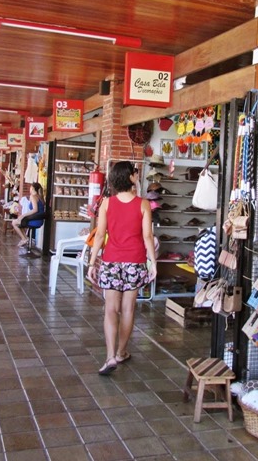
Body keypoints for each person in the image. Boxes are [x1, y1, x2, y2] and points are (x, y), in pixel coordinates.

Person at [86, 161, 157, 375]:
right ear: (130, 177)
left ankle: (109, 357)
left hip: (111, 261)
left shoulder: (107, 203)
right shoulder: (143, 204)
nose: (137, 175)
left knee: (110, 309)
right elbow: (147, 236)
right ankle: (121, 352)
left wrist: (91, 262)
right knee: (128, 309)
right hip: (135, 261)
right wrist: (152, 262)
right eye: (135, 173)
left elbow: (100, 235)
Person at [12, 182, 46, 247]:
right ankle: (25, 238)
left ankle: (24, 239)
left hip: (34, 220)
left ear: (32, 188)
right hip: (39, 220)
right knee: (19, 222)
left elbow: (35, 210)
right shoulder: (40, 197)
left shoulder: (33, 197)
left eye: (30, 187)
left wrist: (23, 215)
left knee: (14, 223)